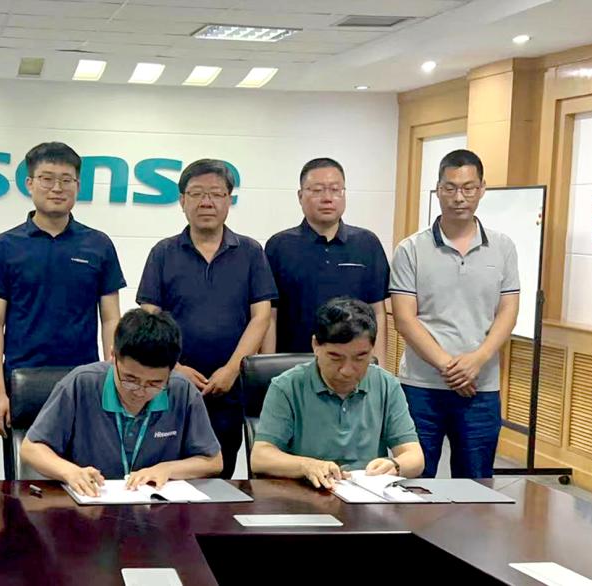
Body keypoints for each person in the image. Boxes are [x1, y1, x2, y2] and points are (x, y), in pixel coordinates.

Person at [137, 159, 277, 478]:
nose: (206, 202)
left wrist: (232, 369)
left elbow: (261, 317)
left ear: (229, 199)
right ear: (182, 200)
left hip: (229, 389)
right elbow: (149, 319)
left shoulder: (250, 252)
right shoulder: (163, 252)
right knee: (165, 471)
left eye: (216, 193)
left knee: (219, 472)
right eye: (197, 193)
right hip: (170, 385)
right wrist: (173, 368)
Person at [0, 141, 126, 439]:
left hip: (83, 380)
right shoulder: (5, 246)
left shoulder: (98, 245)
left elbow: (111, 319)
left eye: (66, 180)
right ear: (29, 184)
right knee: (24, 464)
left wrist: (114, 381)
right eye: (47, 179)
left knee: (84, 463)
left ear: (78, 186)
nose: (57, 188)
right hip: (22, 380)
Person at [390, 148, 519, 479]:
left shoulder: (503, 247)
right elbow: (405, 319)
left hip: (481, 387)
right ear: (438, 190)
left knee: (476, 484)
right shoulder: (410, 249)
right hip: (421, 386)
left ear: (482, 189)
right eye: (450, 188)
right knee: (414, 482)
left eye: (468, 188)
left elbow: (508, 311)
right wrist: (450, 367)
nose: (459, 197)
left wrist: (477, 360)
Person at [21, 309, 222, 496]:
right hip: (90, 505)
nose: (140, 392)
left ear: (171, 371)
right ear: (113, 357)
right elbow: (31, 448)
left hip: (154, 509)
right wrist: (69, 471)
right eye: (130, 380)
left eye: (154, 384)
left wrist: (168, 469)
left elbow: (213, 462)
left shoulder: (182, 391)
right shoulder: (81, 384)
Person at [250, 298, 424, 488]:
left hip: (367, 496)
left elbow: (415, 457)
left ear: (372, 349)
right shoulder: (287, 386)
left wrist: (395, 465)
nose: (347, 370)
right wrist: (307, 465)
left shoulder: (386, 385)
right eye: (335, 357)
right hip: (306, 493)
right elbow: (260, 457)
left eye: (360, 357)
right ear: (315, 345)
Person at [262, 158, 390, 365]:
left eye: (335, 190)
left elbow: (378, 312)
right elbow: (270, 315)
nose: (327, 198)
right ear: (300, 196)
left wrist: (379, 369)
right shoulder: (279, 246)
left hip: (353, 367)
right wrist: (267, 366)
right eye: (317, 190)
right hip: (293, 366)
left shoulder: (367, 243)